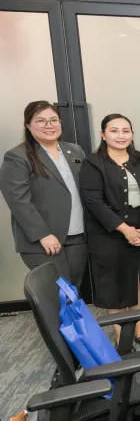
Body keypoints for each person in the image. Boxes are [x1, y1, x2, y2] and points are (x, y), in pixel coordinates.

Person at [80, 114, 140, 348]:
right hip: (108, 235)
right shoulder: (93, 163)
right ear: (103, 134)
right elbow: (94, 202)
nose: (121, 135)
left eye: (126, 131)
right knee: (114, 286)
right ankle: (120, 335)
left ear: (132, 134)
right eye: (114, 130)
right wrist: (125, 229)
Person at [0, 101, 87, 285]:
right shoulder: (18, 156)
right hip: (44, 240)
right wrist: (43, 235)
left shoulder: (75, 151)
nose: (49, 125)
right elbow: (18, 202)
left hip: (77, 235)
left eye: (54, 120)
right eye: (41, 121)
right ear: (28, 125)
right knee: (57, 292)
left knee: (73, 290)